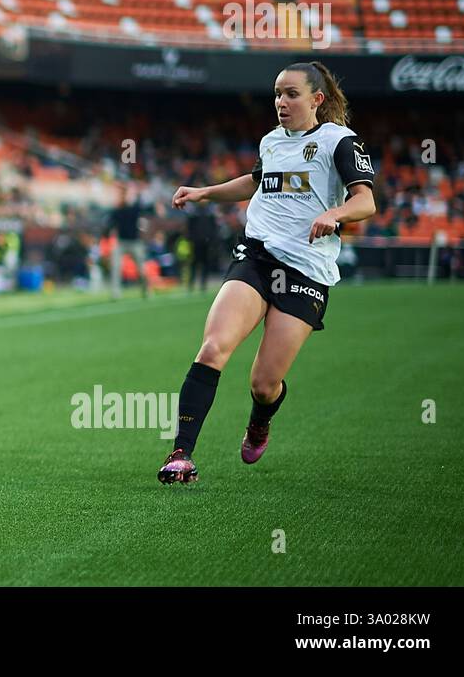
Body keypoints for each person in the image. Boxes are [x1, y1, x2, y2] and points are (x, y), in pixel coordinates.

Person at [158, 62, 376, 484]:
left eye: (292, 94)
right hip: (256, 259)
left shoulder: (339, 141)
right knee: (213, 348)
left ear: (317, 99)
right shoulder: (272, 142)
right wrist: (206, 192)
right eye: (277, 93)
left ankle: (260, 420)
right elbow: (258, 181)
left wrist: (337, 213)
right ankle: (180, 453)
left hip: (306, 271)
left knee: (263, 384)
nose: (281, 102)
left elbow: (365, 200)